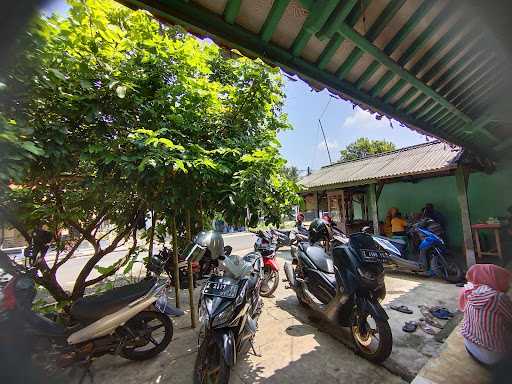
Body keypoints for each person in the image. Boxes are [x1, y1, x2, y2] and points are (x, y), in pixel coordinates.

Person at [459, 264, 512, 366]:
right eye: (505, 281)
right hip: (493, 357)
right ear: (494, 279)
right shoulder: (498, 298)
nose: (508, 285)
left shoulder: (471, 291)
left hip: (469, 347)